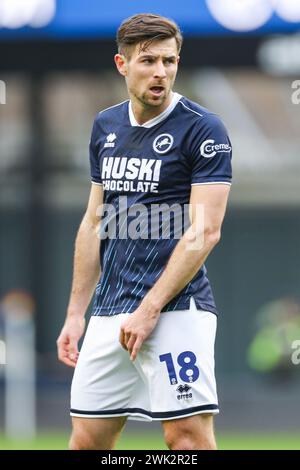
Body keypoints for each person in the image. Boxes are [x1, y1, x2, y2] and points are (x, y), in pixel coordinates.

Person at [57, 13, 232, 450]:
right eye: (148, 61)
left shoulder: (203, 128)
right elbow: (94, 221)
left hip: (175, 311)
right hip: (109, 311)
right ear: (122, 64)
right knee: (87, 442)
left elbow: (205, 231)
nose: (161, 73)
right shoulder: (106, 126)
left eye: (169, 61)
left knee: (186, 440)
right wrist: (77, 313)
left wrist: (152, 307)